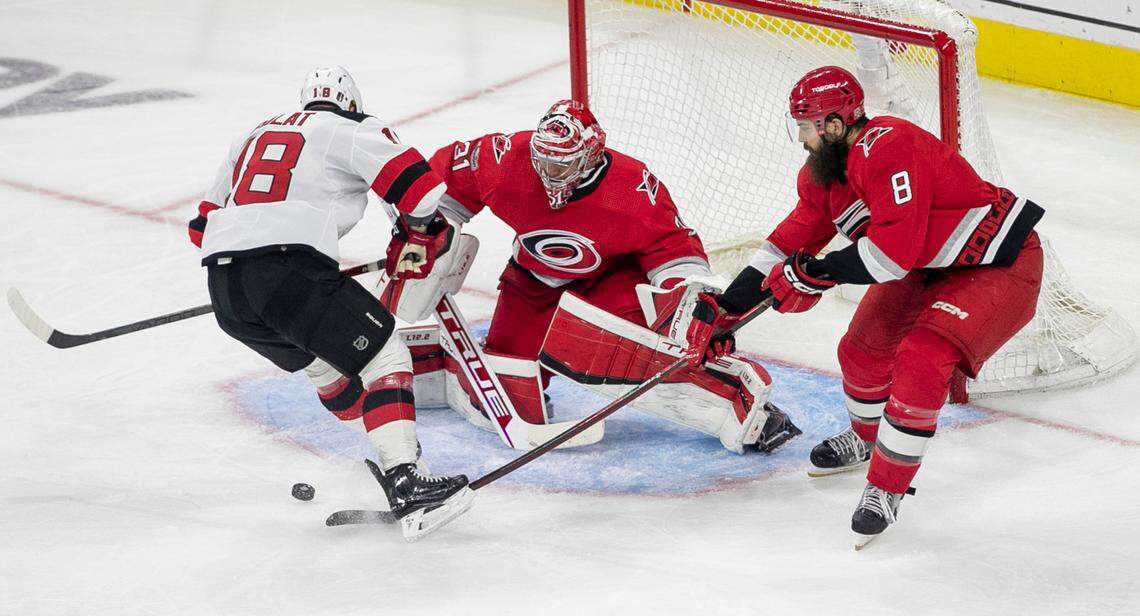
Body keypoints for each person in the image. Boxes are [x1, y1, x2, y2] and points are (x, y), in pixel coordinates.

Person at [713, 66, 1044, 546]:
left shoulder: (890, 147)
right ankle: (868, 442)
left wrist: (819, 273)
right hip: (927, 267)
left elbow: (891, 256)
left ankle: (885, 489)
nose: (801, 138)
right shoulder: (823, 176)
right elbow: (787, 244)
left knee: (922, 358)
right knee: (861, 351)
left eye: (805, 127)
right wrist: (727, 309)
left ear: (832, 124)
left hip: (996, 265)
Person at [406, 99, 800, 454]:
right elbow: (444, 179)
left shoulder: (630, 187)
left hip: (607, 284)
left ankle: (743, 408)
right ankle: (428, 371)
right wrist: (425, 230)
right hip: (531, 283)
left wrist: (687, 306)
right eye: (544, 161)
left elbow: (674, 246)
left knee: (641, 354)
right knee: (510, 388)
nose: (549, 172)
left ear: (592, 154)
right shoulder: (506, 157)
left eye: (562, 164)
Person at [186, 66, 469, 525]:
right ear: (352, 103)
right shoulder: (351, 128)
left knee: (326, 364)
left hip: (226, 289)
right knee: (386, 356)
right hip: (289, 270)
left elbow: (201, 228)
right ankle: (406, 479)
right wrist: (417, 235)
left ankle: (398, 459)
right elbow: (419, 189)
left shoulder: (252, 135)